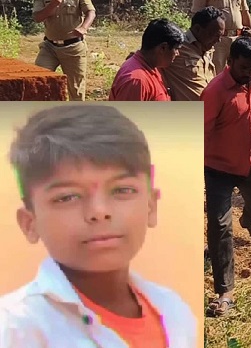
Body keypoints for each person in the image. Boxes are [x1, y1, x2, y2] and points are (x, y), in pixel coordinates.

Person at [0, 104, 197, 346]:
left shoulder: (176, 313)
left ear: (151, 206)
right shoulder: (15, 328)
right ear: (30, 224)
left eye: (122, 190)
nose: (99, 212)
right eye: (67, 197)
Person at [202, 36, 251, 317]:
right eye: (244, 67)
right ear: (230, 62)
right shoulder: (215, 92)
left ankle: (250, 219)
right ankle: (225, 292)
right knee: (220, 227)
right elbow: (202, 129)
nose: (249, 74)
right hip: (218, 167)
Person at [32, 0, 96, 101]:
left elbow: (91, 12)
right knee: (38, 80)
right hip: (49, 48)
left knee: (76, 89)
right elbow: (37, 18)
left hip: (74, 48)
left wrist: (84, 28)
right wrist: (53, 4)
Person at [108, 19, 184, 101]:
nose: (177, 53)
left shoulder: (151, 66)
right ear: (163, 48)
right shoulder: (137, 81)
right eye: (176, 49)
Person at [162, 6, 226, 101]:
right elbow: (147, 55)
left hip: (209, 111)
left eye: (220, 36)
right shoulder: (176, 46)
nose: (219, 40)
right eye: (215, 35)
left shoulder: (208, 49)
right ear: (197, 29)